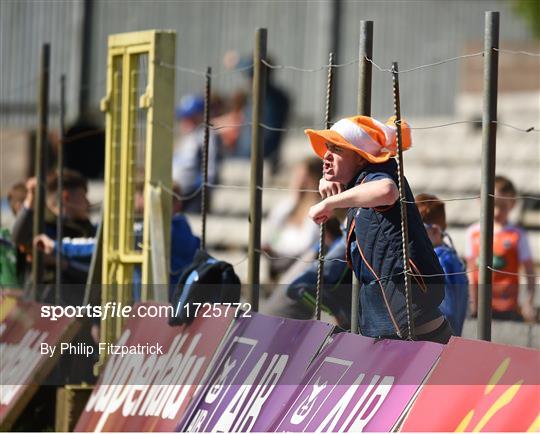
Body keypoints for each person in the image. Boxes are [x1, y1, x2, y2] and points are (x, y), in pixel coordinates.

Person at [306, 115, 451, 343]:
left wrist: (329, 202)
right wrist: (331, 182)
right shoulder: (361, 181)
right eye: (327, 148)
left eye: (337, 149)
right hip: (392, 327)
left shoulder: (379, 177)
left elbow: (386, 190)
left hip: (417, 335)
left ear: (362, 158)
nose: (326, 155)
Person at [12, 170, 95, 302]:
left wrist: (63, 264)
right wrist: (31, 198)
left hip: (75, 307)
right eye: (83, 196)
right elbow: (19, 237)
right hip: (42, 304)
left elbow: (93, 272)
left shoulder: (86, 231)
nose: (88, 203)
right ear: (66, 197)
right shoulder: (42, 225)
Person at [465, 175, 536, 322]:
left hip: (508, 307)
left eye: (503, 206)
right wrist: (472, 302)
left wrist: (529, 301)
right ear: (481, 201)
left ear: (513, 204)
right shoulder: (473, 232)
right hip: (481, 306)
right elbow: (470, 271)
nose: (497, 211)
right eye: (493, 204)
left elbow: (529, 271)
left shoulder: (517, 235)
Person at [416, 193, 468, 336]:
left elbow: (447, 309)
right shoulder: (450, 257)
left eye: (418, 230)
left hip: (441, 340)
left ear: (434, 230)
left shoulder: (440, 262)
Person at [262, 157, 322, 281]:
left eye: (305, 177)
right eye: (297, 176)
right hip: (278, 262)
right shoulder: (287, 206)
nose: (298, 182)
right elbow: (271, 235)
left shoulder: (318, 210)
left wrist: (277, 249)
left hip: (299, 267)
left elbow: (304, 246)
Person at [229, 55, 290, 174]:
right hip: (262, 152)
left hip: (255, 153)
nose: (248, 80)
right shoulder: (279, 97)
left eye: (250, 76)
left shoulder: (266, 98)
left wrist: (237, 61)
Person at [172, 94, 221, 213]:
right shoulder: (185, 137)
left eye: (191, 117)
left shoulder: (206, 136)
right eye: (184, 117)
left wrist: (202, 186)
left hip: (194, 195)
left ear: (201, 117)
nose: (186, 121)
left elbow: (211, 169)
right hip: (176, 193)